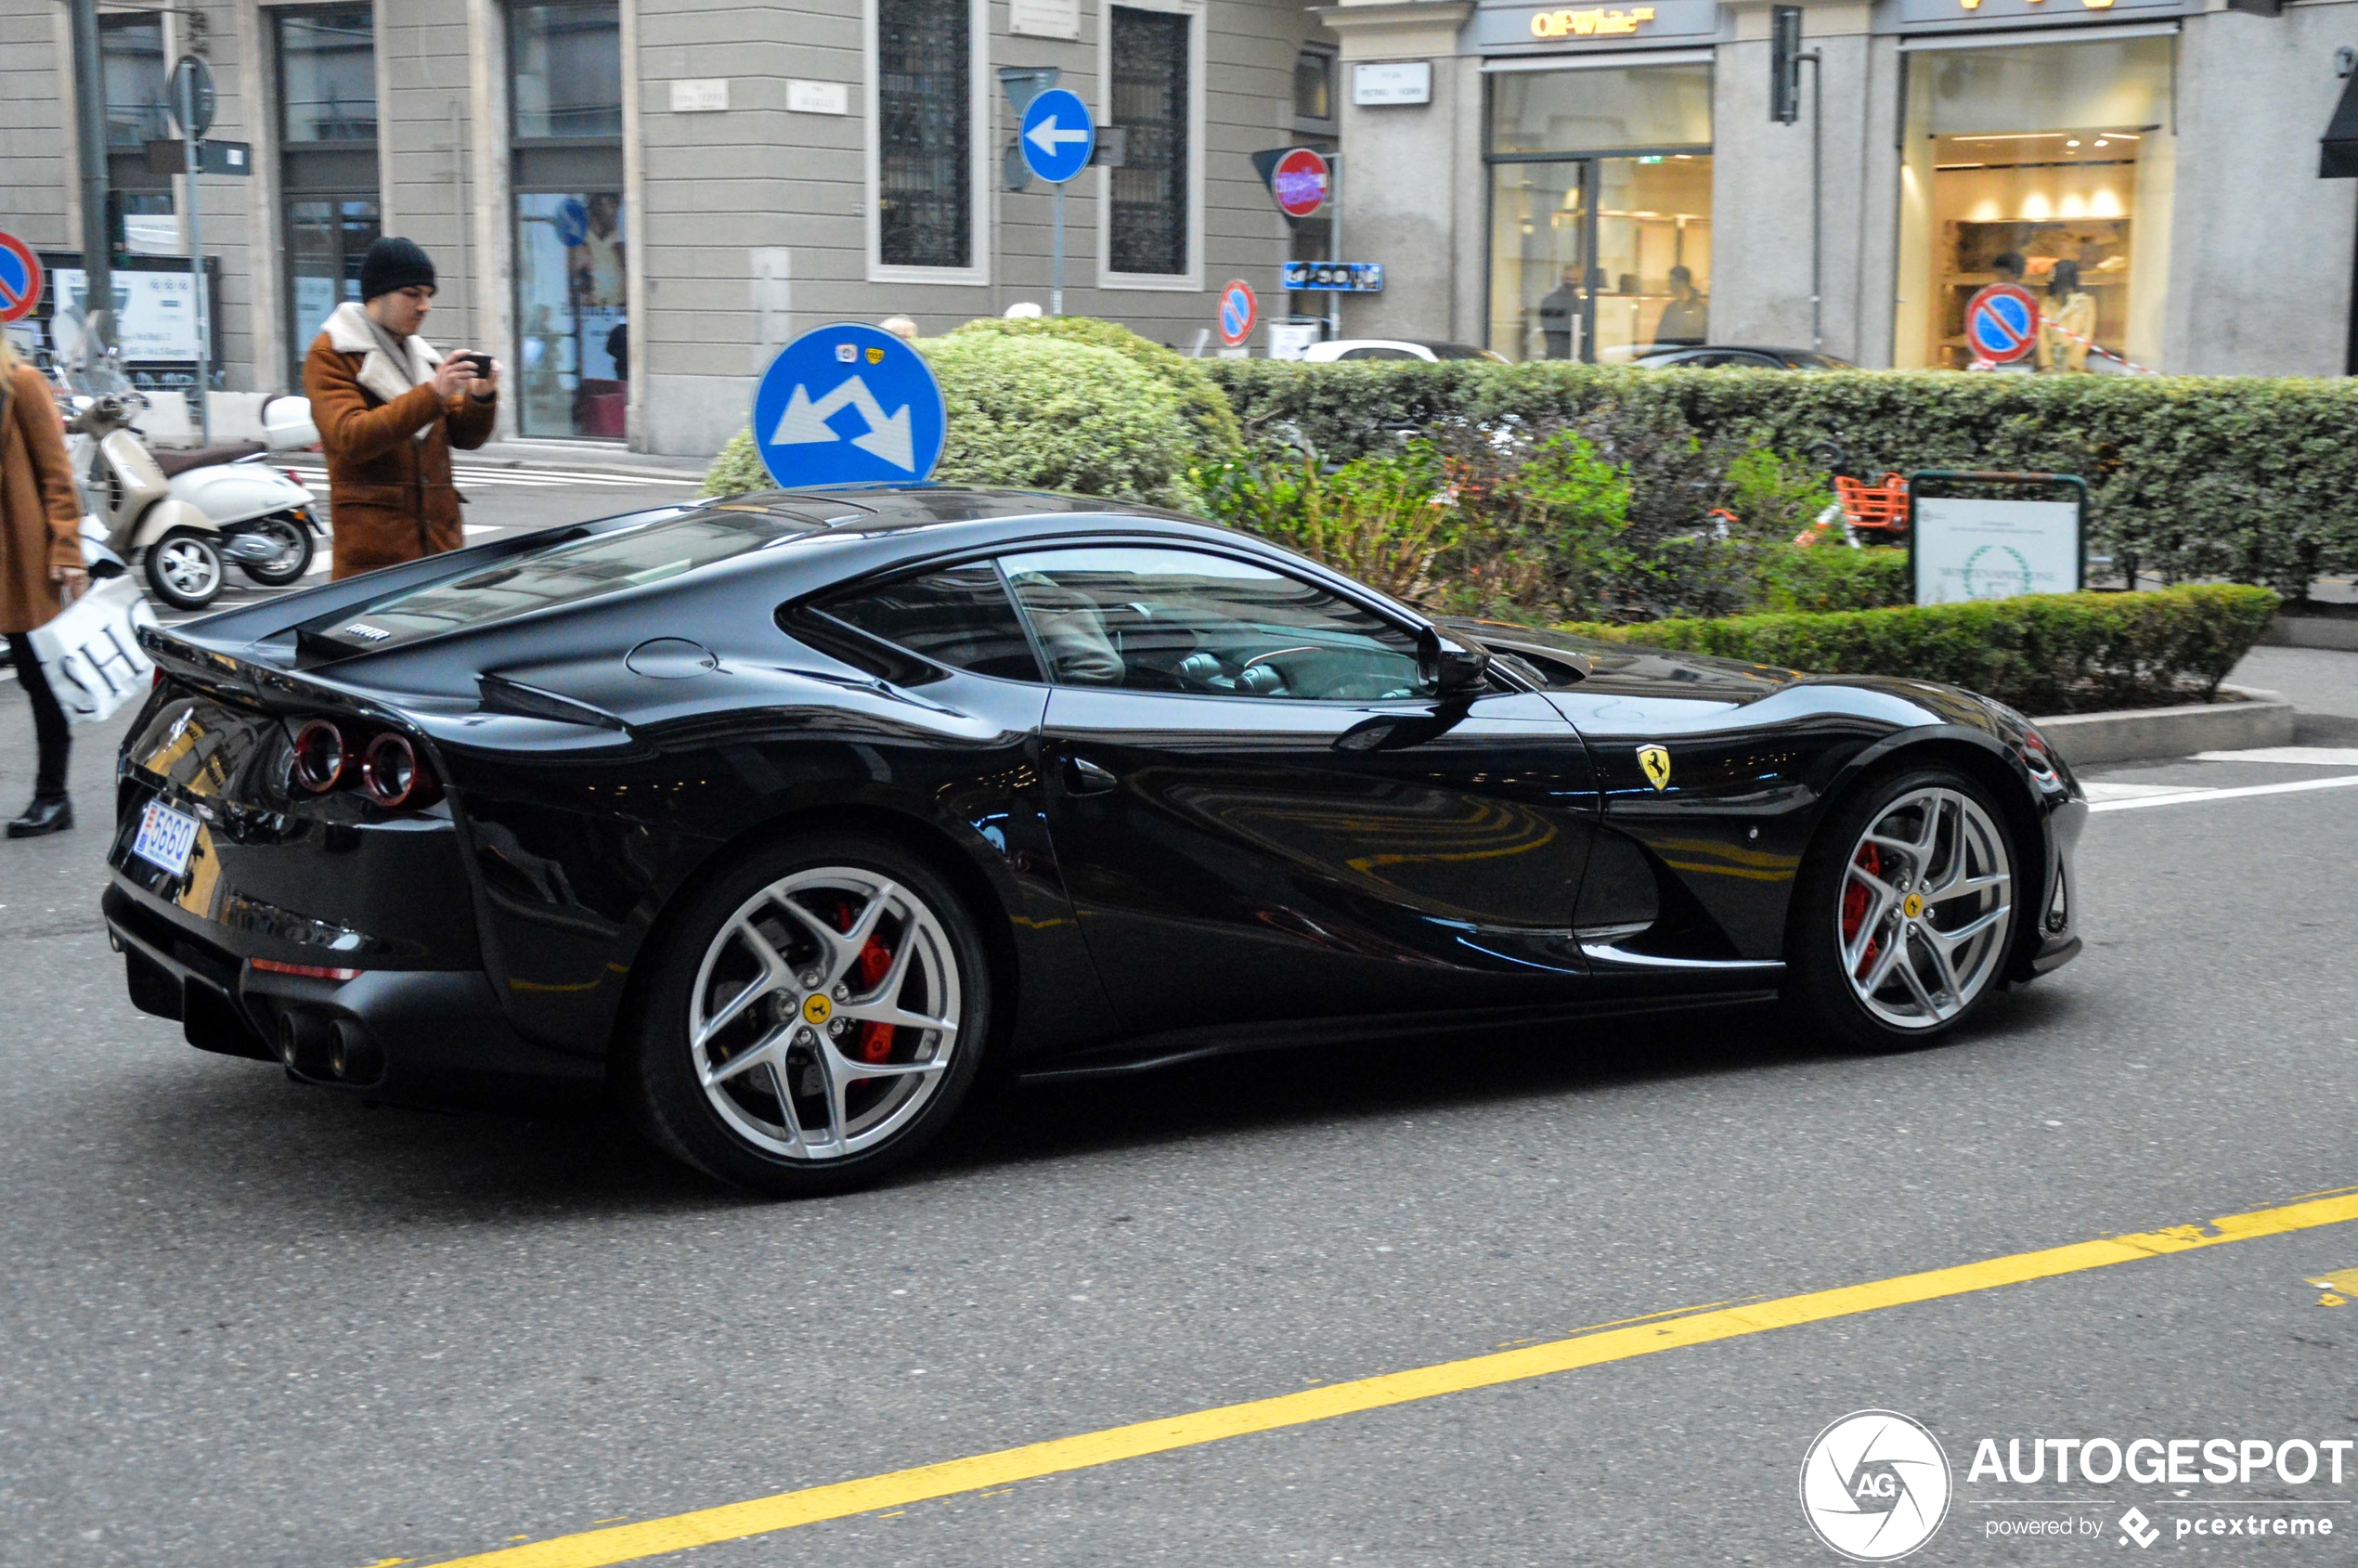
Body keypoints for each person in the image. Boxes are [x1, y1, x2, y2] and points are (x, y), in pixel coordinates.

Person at [304, 237, 499, 579]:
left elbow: (464, 436)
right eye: (412, 294)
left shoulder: (419, 354)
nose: (425, 306)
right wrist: (432, 394)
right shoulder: (332, 354)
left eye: (428, 295)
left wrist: (480, 397)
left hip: (438, 547)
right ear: (377, 294)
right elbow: (350, 437)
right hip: (376, 554)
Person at [0, 331, 89, 837]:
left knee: (39, 681)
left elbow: (58, 478)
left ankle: (53, 797)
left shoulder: (23, 383)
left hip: (20, 560)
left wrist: (65, 551)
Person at [2037, 259, 2097, 373]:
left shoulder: (2085, 302)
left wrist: (2072, 364)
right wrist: (2046, 364)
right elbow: (2042, 335)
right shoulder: (2046, 303)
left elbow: (2086, 334)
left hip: (2074, 366)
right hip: (2050, 366)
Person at [1655, 265, 1707, 346]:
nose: (1670, 285)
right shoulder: (1670, 308)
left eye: (1672, 281)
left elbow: (1702, 336)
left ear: (1682, 282)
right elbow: (1660, 335)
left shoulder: (1700, 309)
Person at [1536, 266, 1582, 360]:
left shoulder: (1578, 300)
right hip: (1556, 353)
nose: (1572, 282)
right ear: (1562, 279)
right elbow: (1549, 327)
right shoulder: (1551, 299)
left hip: (1573, 353)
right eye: (1569, 279)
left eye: (1575, 279)